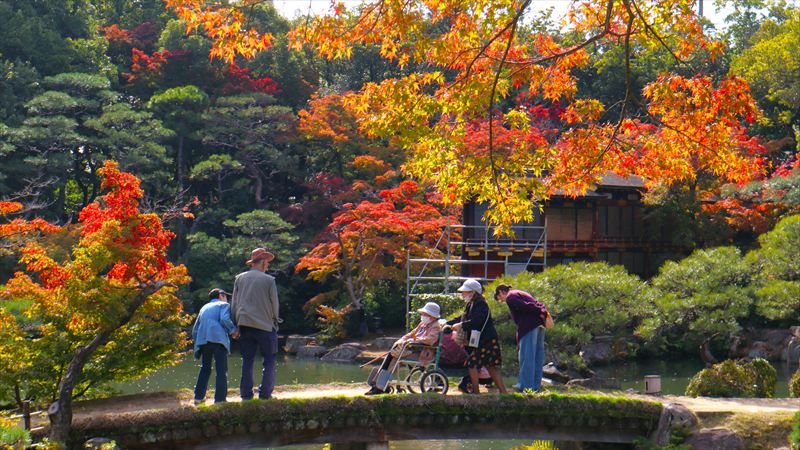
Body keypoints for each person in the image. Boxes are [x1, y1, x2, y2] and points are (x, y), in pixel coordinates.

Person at [231, 247, 281, 400]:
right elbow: (275, 304)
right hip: (265, 325)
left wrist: (235, 324)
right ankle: (265, 393)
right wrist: (275, 320)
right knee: (270, 359)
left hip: (244, 324)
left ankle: (246, 394)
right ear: (263, 262)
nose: (268, 266)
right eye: (267, 263)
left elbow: (234, 303)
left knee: (247, 360)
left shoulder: (239, 278)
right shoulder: (269, 280)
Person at [365, 302, 443, 395]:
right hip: (413, 350)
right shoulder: (422, 324)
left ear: (432, 316)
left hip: (422, 352)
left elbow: (430, 340)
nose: (422, 316)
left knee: (394, 358)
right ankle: (379, 384)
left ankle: (380, 385)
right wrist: (401, 340)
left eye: (425, 314)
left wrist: (412, 341)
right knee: (392, 355)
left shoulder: (436, 326)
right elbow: (411, 334)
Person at [448, 278, 507, 394]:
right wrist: (448, 323)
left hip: (487, 340)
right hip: (484, 340)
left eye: (465, 292)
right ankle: (503, 392)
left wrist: (461, 325)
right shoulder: (471, 304)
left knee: (473, 363)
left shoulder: (481, 305)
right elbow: (462, 317)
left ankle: (476, 391)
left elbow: (477, 321)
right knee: (490, 366)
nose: (463, 294)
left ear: (473, 293)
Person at [494, 284, 548, 391]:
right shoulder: (521, 293)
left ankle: (525, 386)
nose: (502, 301)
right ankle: (535, 386)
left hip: (528, 327)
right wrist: (542, 311)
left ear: (501, 292)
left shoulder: (511, 296)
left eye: (499, 298)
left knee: (526, 356)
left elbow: (526, 306)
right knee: (537, 356)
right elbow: (537, 304)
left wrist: (540, 311)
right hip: (539, 325)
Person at [192, 288, 238, 404]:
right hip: (218, 339)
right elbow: (224, 319)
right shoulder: (224, 305)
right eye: (226, 296)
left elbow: (195, 329)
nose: (227, 299)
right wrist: (233, 330)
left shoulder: (204, 308)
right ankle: (220, 400)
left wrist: (197, 343)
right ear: (221, 295)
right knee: (221, 370)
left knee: (205, 368)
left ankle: (198, 397)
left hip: (203, 341)